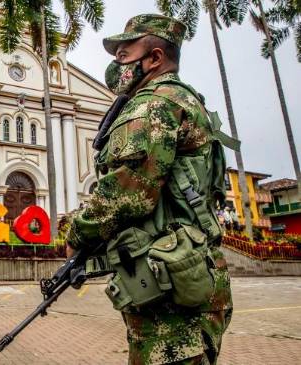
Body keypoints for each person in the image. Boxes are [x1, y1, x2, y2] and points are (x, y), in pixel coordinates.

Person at [66, 14, 233, 364]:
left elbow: (129, 192)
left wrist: (77, 234)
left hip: (173, 284)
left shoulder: (155, 104)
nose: (118, 63)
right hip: (183, 272)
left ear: (155, 58)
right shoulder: (184, 99)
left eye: (126, 53)